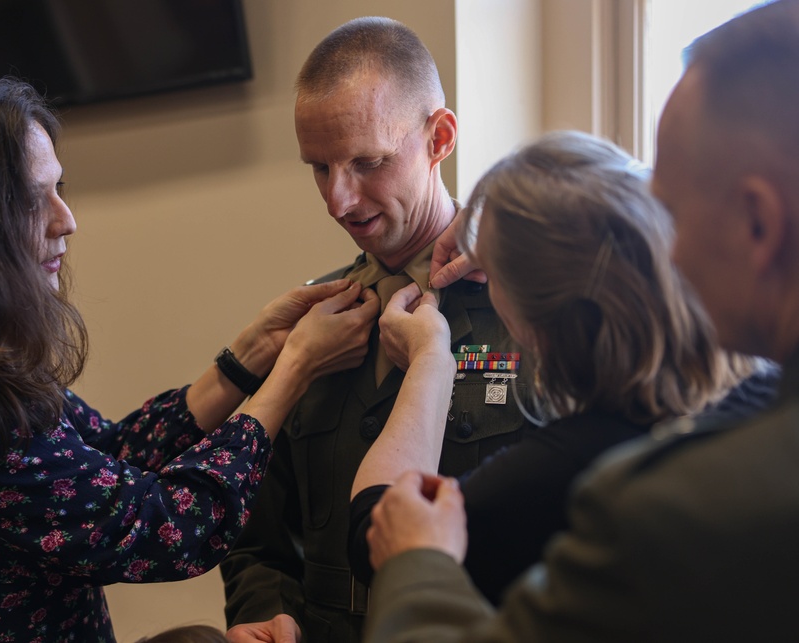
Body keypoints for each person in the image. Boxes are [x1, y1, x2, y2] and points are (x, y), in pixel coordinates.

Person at [0, 78, 379, 643]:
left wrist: (253, 352)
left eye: (60, 188)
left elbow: (108, 456)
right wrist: (292, 373)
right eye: (34, 200)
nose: (67, 220)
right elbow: (169, 527)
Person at [362, 1, 799, 641]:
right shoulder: (756, 399)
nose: (665, 252)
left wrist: (416, 564)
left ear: (758, 223)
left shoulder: (661, 510)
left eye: (673, 213)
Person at [348, 129, 765, 606]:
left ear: (536, 326)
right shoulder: (764, 397)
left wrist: (429, 362)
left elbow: (376, 534)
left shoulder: (564, 473)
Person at [219, 17, 531, 643]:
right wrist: (264, 607)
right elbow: (256, 537)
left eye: (368, 162)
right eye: (319, 167)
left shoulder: (527, 304)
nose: (338, 199)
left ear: (439, 137)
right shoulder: (312, 323)